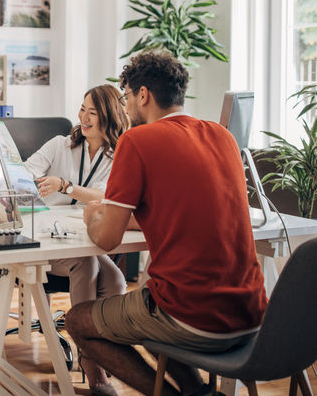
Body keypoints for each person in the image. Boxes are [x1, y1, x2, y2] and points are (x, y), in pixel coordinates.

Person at [65, 51, 268, 396]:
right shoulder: (223, 136)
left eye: (126, 97)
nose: (125, 108)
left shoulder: (136, 140)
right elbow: (182, 211)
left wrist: (93, 215)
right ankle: (198, 393)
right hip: (251, 316)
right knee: (149, 304)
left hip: (190, 317)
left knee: (77, 321)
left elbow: (107, 239)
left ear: (142, 95)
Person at [24, 84, 129, 394]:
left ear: (108, 118)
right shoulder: (59, 145)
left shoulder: (116, 156)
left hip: (87, 240)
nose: (83, 117)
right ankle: (92, 365)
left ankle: (103, 351)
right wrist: (38, 183)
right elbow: (25, 171)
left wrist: (65, 186)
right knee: (88, 266)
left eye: (92, 113)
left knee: (117, 282)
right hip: (49, 241)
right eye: (82, 109)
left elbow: (110, 195)